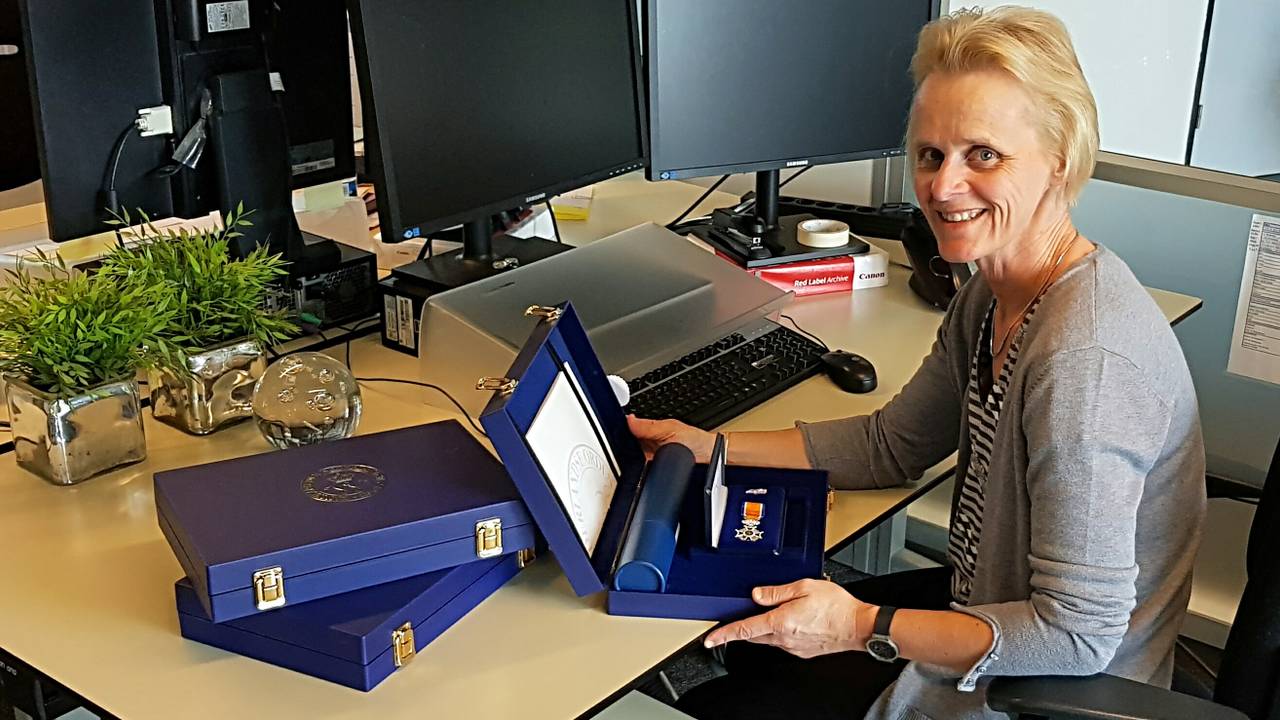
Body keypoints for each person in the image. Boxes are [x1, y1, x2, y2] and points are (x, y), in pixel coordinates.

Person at [628, 7, 1206, 719]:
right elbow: (893, 444)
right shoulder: (994, 293)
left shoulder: (1083, 364)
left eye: (983, 155)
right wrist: (708, 445)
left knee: (735, 695)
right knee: (750, 641)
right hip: (987, 611)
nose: (942, 186)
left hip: (1033, 690)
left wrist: (857, 626)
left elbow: (1076, 638)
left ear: (1061, 158)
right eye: (931, 155)